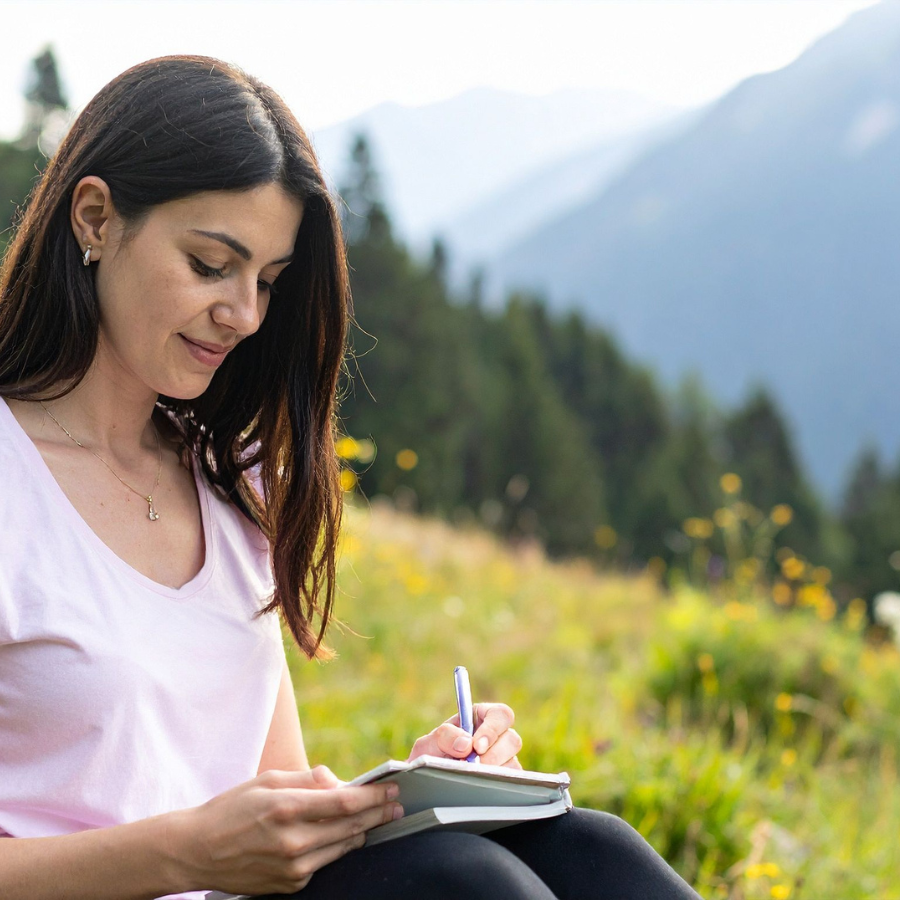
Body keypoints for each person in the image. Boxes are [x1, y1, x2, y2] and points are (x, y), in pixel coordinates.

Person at [0, 55, 702, 900]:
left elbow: (273, 794)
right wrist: (183, 854)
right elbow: (207, 846)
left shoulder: (229, 483)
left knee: (590, 848)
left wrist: (407, 793)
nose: (245, 314)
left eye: (267, 281)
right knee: (472, 886)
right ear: (95, 218)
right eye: (210, 264)